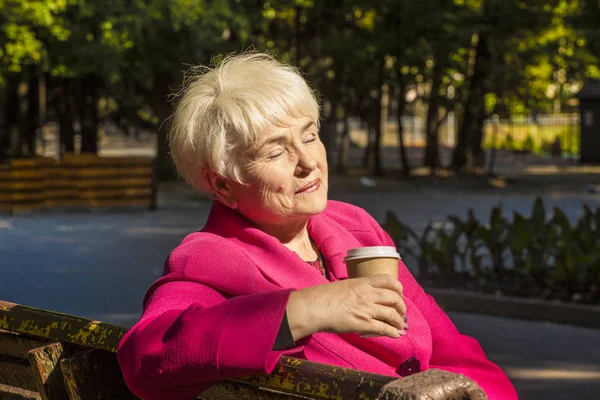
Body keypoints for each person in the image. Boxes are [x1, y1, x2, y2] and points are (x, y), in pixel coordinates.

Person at [117, 52, 518, 400]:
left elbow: (455, 353)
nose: (307, 162)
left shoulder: (355, 226)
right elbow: (147, 355)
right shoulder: (208, 258)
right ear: (223, 185)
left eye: (309, 137)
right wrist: (310, 308)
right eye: (276, 150)